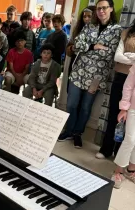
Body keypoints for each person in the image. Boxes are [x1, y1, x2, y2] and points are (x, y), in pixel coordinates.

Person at [58, 0, 122, 148]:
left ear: (111, 9)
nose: (101, 11)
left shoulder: (117, 30)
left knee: (86, 107)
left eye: (104, 8)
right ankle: (68, 130)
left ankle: (77, 133)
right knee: (72, 104)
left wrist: (87, 49)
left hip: (97, 76)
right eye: (99, 8)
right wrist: (95, 46)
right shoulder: (89, 26)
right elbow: (76, 46)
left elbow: (110, 54)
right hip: (78, 72)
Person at [96, 23, 135, 159]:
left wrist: (129, 57)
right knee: (114, 114)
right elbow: (117, 57)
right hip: (121, 77)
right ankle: (106, 149)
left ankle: (121, 154)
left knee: (131, 118)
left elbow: (123, 57)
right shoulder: (127, 32)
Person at [110, 65, 135, 188]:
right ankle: (118, 171)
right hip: (133, 108)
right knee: (130, 140)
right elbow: (128, 86)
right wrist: (124, 108)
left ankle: (131, 170)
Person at [66, 7, 94, 78]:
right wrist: (72, 48)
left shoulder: (97, 31)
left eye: (89, 16)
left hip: (90, 65)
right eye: (84, 16)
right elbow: (69, 46)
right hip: (76, 60)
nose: (86, 19)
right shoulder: (78, 29)